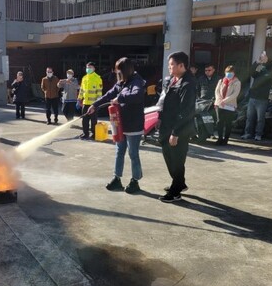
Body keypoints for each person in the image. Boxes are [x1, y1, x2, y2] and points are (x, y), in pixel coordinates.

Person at [87, 57, 145, 194]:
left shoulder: (136, 82)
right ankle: (117, 179)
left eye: (118, 70)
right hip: (120, 124)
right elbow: (108, 95)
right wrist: (95, 105)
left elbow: (137, 96)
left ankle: (135, 181)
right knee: (119, 152)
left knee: (133, 153)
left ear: (125, 70)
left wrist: (120, 99)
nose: (116, 73)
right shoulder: (120, 83)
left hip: (133, 125)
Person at [158, 51, 196, 203]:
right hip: (166, 125)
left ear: (182, 66)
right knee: (169, 156)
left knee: (177, 159)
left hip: (179, 128)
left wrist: (176, 132)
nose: (169, 67)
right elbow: (162, 100)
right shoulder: (171, 80)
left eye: (172, 65)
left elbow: (186, 111)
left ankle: (175, 192)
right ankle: (179, 182)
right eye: (169, 65)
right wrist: (159, 118)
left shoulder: (188, 84)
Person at [241, 51, 272, 141]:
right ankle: (247, 133)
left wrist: (267, 61)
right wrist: (256, 63)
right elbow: (252, 74)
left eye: (264, 57)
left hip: (262, 98)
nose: (262, 58)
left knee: (260, 119)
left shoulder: (271, 68)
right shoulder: (259, 67)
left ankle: (258, 134)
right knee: (249, 117)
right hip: (253, 97)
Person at [214, 65, 241, 145]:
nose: (229, 74)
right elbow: (217, 91)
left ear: (234, 73)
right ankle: (219, 138)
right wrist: (220, 100)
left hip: (230, 105)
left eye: (230, 72)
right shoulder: (221, 81)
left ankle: (226, 139)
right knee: (219, 122)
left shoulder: (237, 82)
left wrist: (225, 101)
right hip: (220, 104)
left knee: (228, 123)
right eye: (227, 72)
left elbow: (235, 94)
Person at [78, 62, 103, 139]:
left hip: (93, 104)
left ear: (94, 68)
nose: (88, 69)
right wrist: (79, 98)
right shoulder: (84, 78)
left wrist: (97, 104)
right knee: (84, 120)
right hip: (85, 103)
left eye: (90, 67)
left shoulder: (98, 78)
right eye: (87, 67)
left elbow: (99, 92)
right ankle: (85, 133)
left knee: (93, 120)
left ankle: (94, 133)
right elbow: (82, 90)